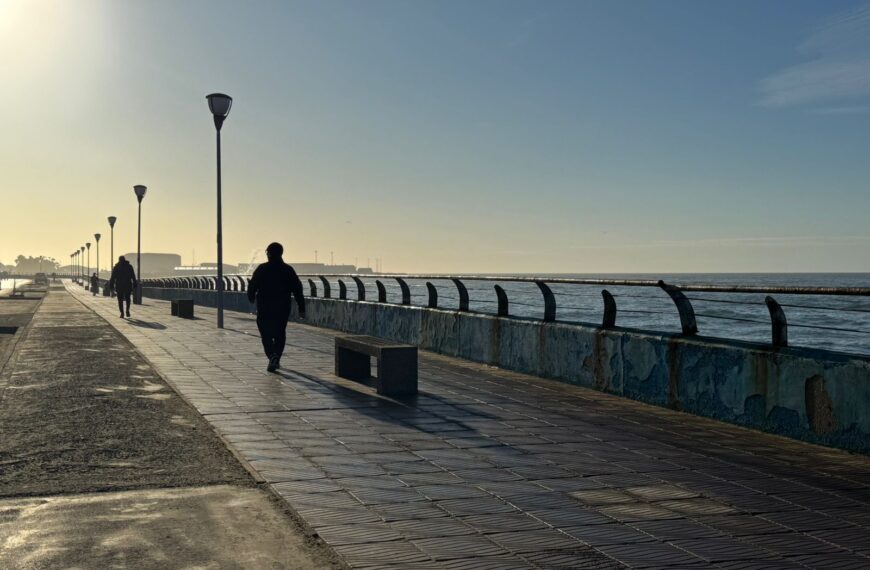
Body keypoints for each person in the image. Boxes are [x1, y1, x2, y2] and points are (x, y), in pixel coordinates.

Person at [247, 242, 306, 372]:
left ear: (269, 254)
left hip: (264, 307)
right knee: (280, 333)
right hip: (282, 307)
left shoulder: (262, 268)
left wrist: (251, 297)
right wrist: (301, 308)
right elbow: (297, 290)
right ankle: (276, 357)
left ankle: (272, 355)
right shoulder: (288, 270)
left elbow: (252, 285)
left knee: (265, 333)